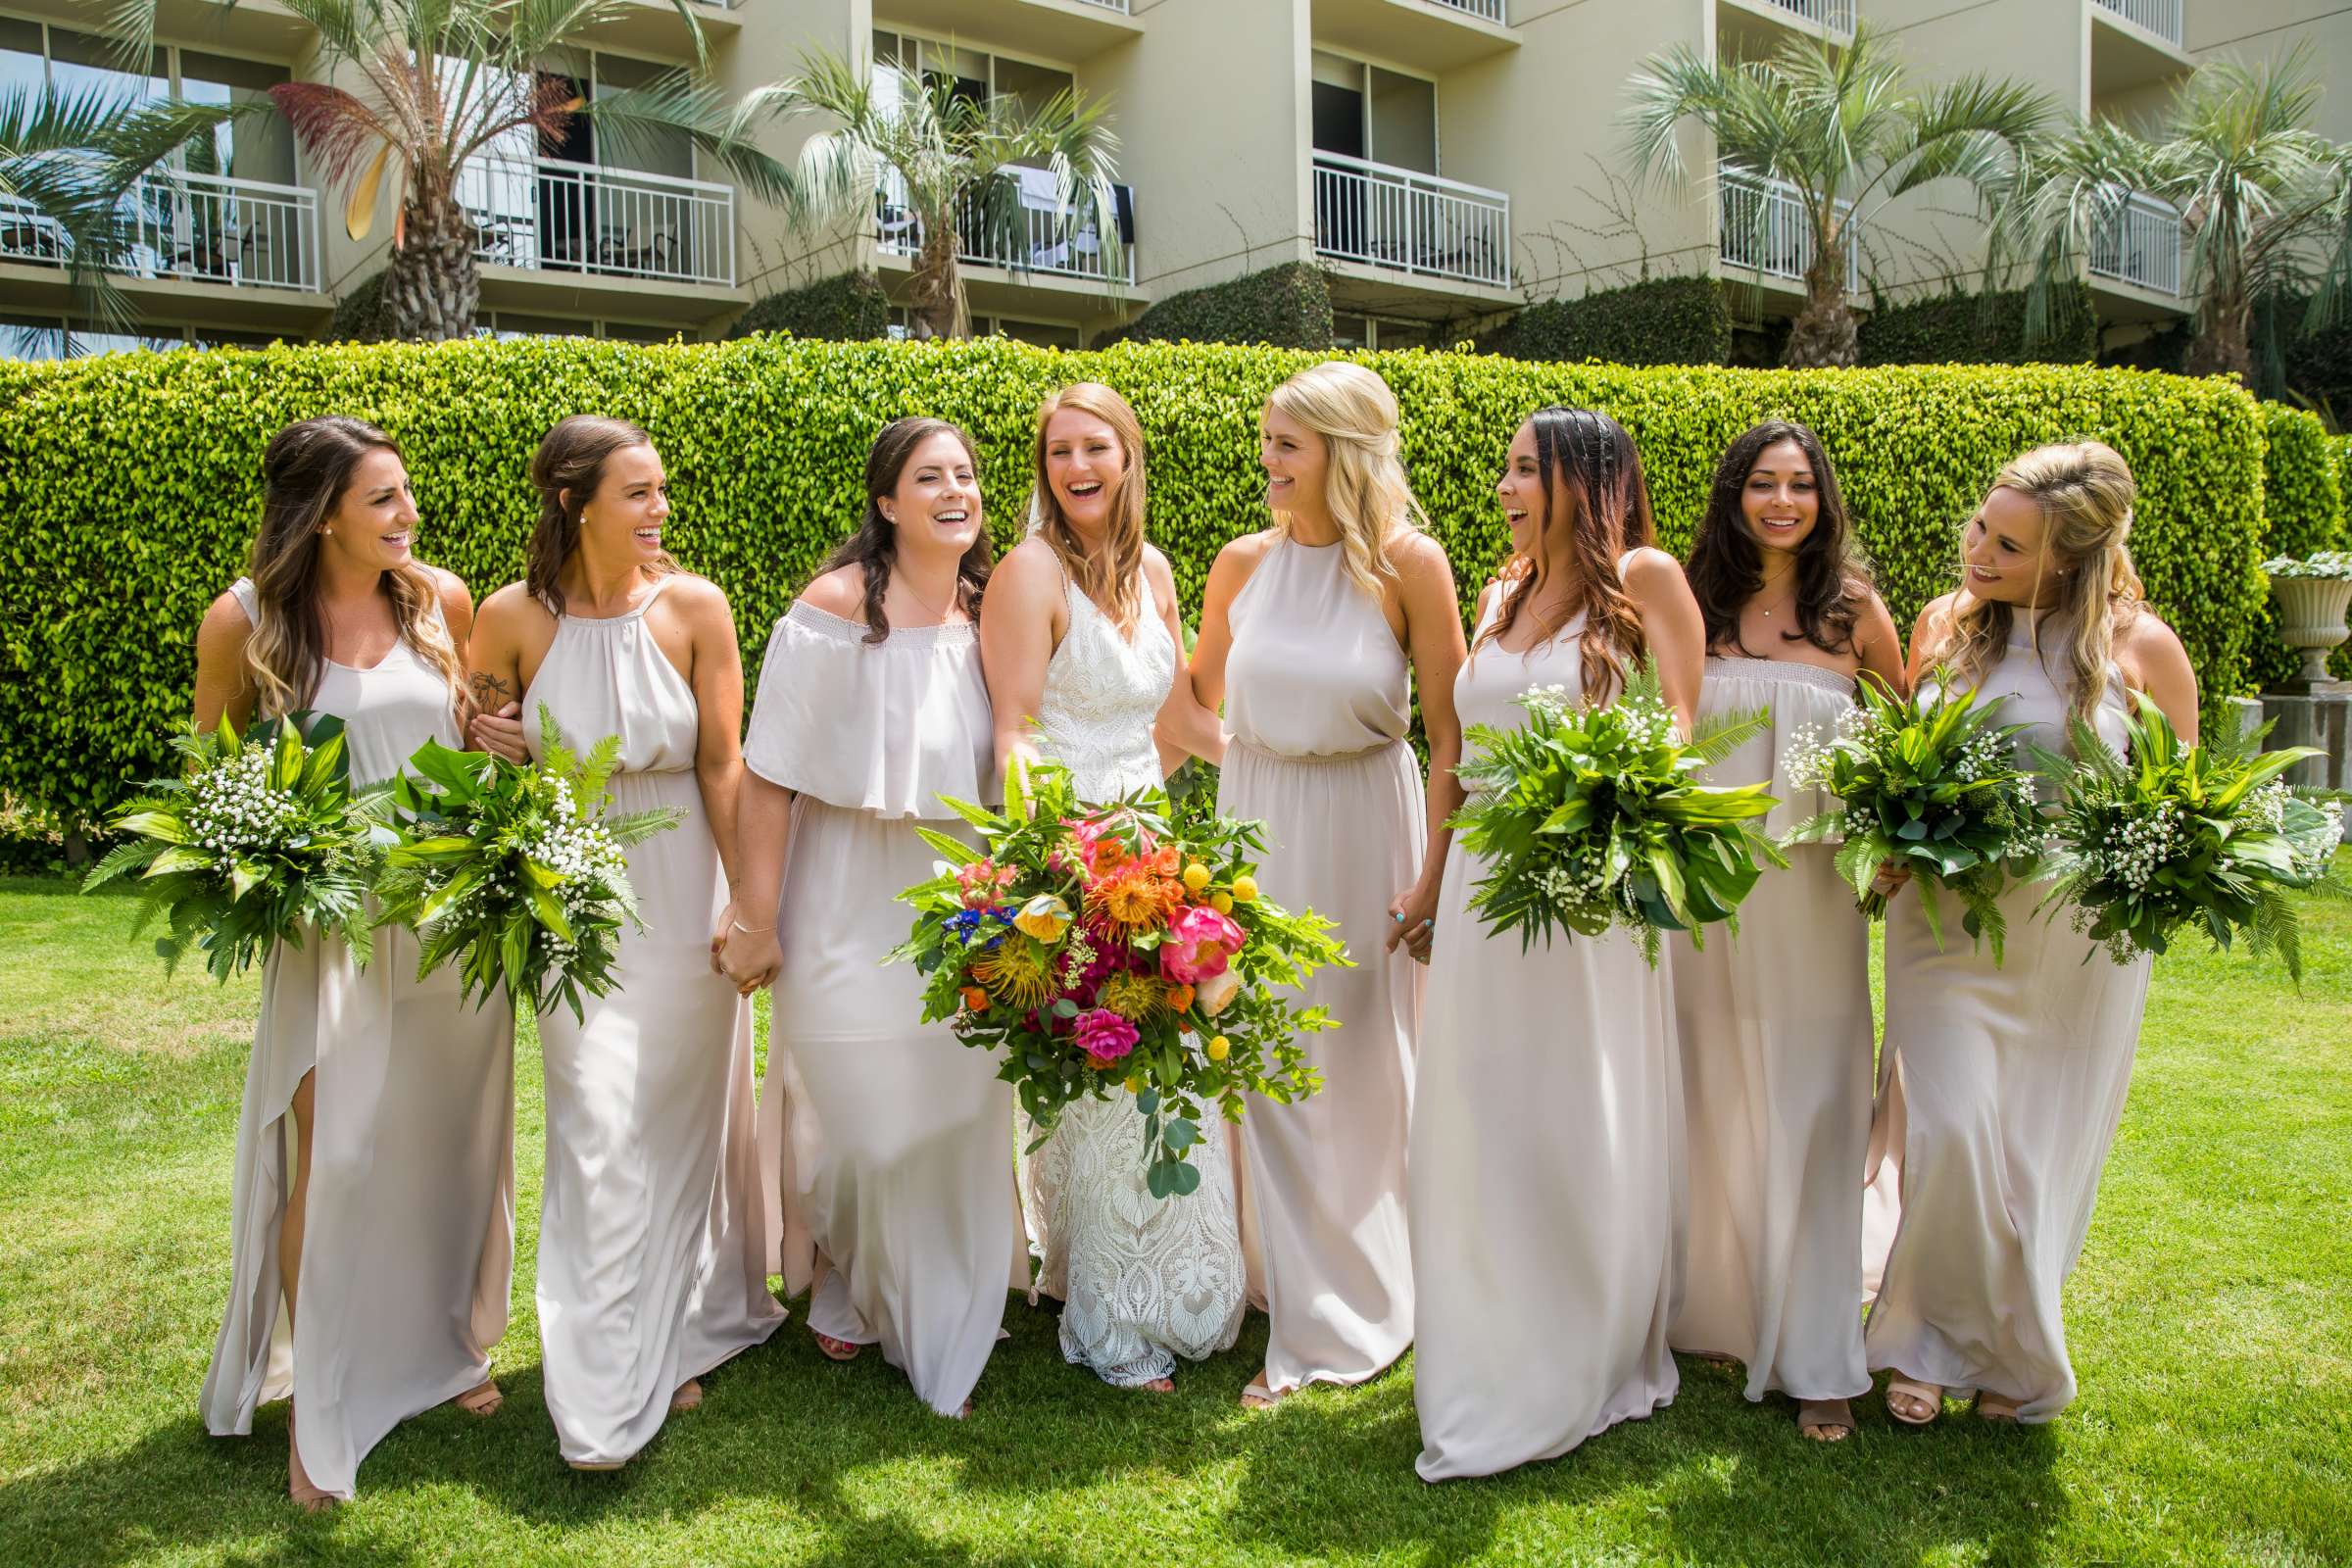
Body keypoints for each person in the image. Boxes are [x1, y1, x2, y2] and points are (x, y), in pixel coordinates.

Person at [195, 416, 513, 1509]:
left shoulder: (440, 601)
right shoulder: (245, 622)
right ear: (323, 511)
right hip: (327, 924)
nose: (407, 515)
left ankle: (440, 1353)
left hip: (444, 907)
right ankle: (317, 1409)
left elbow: (461, 731)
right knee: (332, 1157)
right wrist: (275, 856)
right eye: (384, 499)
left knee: (444, 1142)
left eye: (406, 494)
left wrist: (494, 742)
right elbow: (214, 784)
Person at [466, 416, 783, 1469]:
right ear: (575, 501)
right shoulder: (511, 617)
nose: (659, 509)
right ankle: (600, 1387)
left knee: (678, 1124)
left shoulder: (696, 607)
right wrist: (486, 738)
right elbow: (478, 755)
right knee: (598, 1123)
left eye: (660, 489)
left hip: (684, 883)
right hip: (575, 898)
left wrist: (749, 906)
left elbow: (725, 767)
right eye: (638, 492)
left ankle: (680, 1328)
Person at [1868, 440, 2197, 1427]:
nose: (1979, 552)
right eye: (1980, 525)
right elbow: (1907, 758)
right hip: (1944, 923)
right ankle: (1922, 1337)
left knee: (2030, 1150)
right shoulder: (1946, 626)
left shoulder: (2144, 649)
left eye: (2007, 546)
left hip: (2075, 938)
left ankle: (2009, 1351)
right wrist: (1888, 833)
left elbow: (2177, 807)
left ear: (2070, 558)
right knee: (1951, 1128)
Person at [1410, 407, 1702, 1482]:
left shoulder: (1648, 581)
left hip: (1586, 890)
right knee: (1484, 1112)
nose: (1505, 486)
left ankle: (1586, 1338)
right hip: (1491, 879)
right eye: (1506, 468)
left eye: (1526, 468)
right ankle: (1490, 1325)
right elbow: (1460, 747)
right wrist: (1436, 882)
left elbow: (1681, 722)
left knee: (1578, 1107)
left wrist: (1599, 801)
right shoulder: (1501, 592)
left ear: (1587, 478)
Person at [1182, 361, 1465, 1408]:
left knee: (1358, 1062)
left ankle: (1363, 1286)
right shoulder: (1239, 564)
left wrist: (1433, 872)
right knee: (1265, 1054)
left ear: (1342, 453)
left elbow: (1451, 736)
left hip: (1367, 827)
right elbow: (1196, 694)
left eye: (1285, 445)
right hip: (1259, 828)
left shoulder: (1409, 565)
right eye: (1266, 441)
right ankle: (1294, 1301)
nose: (1267, 462)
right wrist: (1254, 766)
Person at [719, 417, 1013, 1418]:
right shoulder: (833, 606)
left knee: (954, 1105)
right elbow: (768, 777)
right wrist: (756, 914)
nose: (954, 491)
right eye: (929, 476)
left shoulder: (994, 607)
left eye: (966, 475)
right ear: (886, 502)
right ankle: (854, 1262)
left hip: (960, 886)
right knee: (854, 1117)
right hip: (842, 880)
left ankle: (932, 1311)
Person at [977, 381, 1245, 1391]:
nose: (1077, 467)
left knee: (1168, 1063)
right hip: (1075, 852)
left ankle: (1181, 1284)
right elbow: (1012, 727)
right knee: (1099, 1082)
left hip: (1153, 843)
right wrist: (1058, 862)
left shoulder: (1158, 573)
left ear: (1128, 458)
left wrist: (1272, 768)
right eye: (1059, 452)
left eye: (1096, 448)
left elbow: (1176, 721)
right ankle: (1110, 1308)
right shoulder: (1027, 572)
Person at [1668, 420, 1905, 1443]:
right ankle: (1715, 1307)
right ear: (1733, 494)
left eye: (1799, 484)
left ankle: (1818, 1351)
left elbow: (1910, 738)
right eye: (1762, 482)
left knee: (1814, 1099)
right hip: (1703, 894)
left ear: (1823, 499)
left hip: (1814, 894)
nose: (1780, 500)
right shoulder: (1693, 599)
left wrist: (1896, 846)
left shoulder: (1853, 612)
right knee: (1705, 1088)